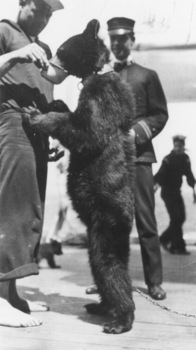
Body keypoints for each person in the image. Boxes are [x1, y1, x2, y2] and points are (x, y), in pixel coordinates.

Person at [86, 16, 170, 301]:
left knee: (146, 222)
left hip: (139, 158)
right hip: (108, 163)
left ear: (132, 40)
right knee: (108, 224)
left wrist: (136, 133)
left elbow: (160, 114)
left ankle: (154, 282)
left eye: (124, 38)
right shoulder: (102, 78)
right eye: (114, 39)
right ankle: (106, 282)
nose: (119, 44)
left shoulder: (147, 76)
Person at [0, 0, 64, 327]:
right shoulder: (3, 31)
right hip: (10, 125)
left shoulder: (44, 47)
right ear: (24, 3)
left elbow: (46, 93)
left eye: (51, 14)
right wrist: (14, 54)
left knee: (28, 213)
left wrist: (53, 136)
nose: (46, 18)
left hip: (37, 130)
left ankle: (11, 294)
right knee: (11, 210)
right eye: (43, 9)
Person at [154, 135, 196, 255]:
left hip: (177, 192)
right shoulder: (168, 159)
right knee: (176, 218)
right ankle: (177, 247)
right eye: (175, 146)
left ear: (183, 146)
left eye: (180, 146)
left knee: (181, 217)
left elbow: (189, 175)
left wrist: (193, 188)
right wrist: (154, 186)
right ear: (173, 146)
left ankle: (164, 239)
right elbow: (160, 175)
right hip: (167, 192)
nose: (177, 148)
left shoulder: (185, 159)